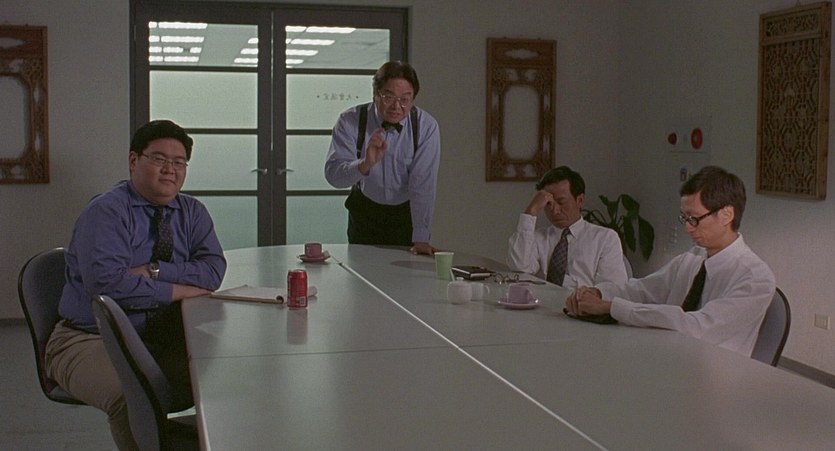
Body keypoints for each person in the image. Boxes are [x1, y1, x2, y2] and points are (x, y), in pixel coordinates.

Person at [45, 120, 227, 450]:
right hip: (89, 337)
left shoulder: (192, 211)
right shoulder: (106, 211)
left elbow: (213, 271)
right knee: (130, 395)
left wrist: (155, 271)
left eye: (179, 162)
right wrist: (178, 289)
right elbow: (109, 286)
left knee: (228, 377)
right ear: (133, 160)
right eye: (159, 159)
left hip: (159, 335)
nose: (170, 170)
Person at [565, 166, 775, 357]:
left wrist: (611, 307)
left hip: (715, 374)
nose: (688, 228)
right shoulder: (692, 258)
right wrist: (599, 293)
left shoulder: (755, 279)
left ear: (727, 214)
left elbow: (695, 326)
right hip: (671, 356)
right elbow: (642, 290)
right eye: (684, 218)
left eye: (694, 219)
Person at [324, 60, 441, 255]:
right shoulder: (350, 120)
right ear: (375, 94)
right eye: (389, 97)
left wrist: (421, 238)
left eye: (405, 99)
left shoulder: (426, 127)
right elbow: (334, 177)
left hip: (405, 215)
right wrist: (365, 164)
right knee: (360, 269)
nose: (397, 106)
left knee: (405, 271)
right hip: (364, 211)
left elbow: (423, 184)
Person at [507, 166, 628, 289]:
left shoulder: (605, 238)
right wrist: (531, 210)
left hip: (582, 300)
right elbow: (519, 267)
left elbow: (612, 289)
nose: (555, 211)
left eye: (561, 202)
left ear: (580, 200)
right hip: (542, 300)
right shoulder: (537, 238)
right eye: (548, 204)